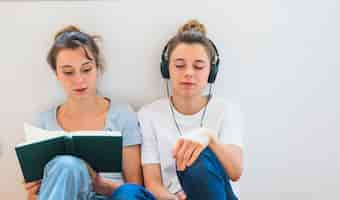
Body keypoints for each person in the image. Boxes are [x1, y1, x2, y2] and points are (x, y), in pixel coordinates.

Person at [24, 25, 155, 200]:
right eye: (68, 72)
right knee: (66, 165)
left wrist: (102, 186)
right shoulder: (43, 122)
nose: (79, 80)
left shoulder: (122, 114)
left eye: (86, 69)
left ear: (97, 68)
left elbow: (136, 188)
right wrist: (34, 192)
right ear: (56, 74)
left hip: (112, 196)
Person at [138, 19, 244, 200]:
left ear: (211, 71)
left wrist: (208, 137)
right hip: (171, 198)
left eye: (198, 66)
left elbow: (235, 171)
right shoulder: (148, 115)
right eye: (179, 65)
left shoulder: (226, 110)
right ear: (167, 69)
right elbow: (153, 183)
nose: (188, 73)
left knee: (199, 159)